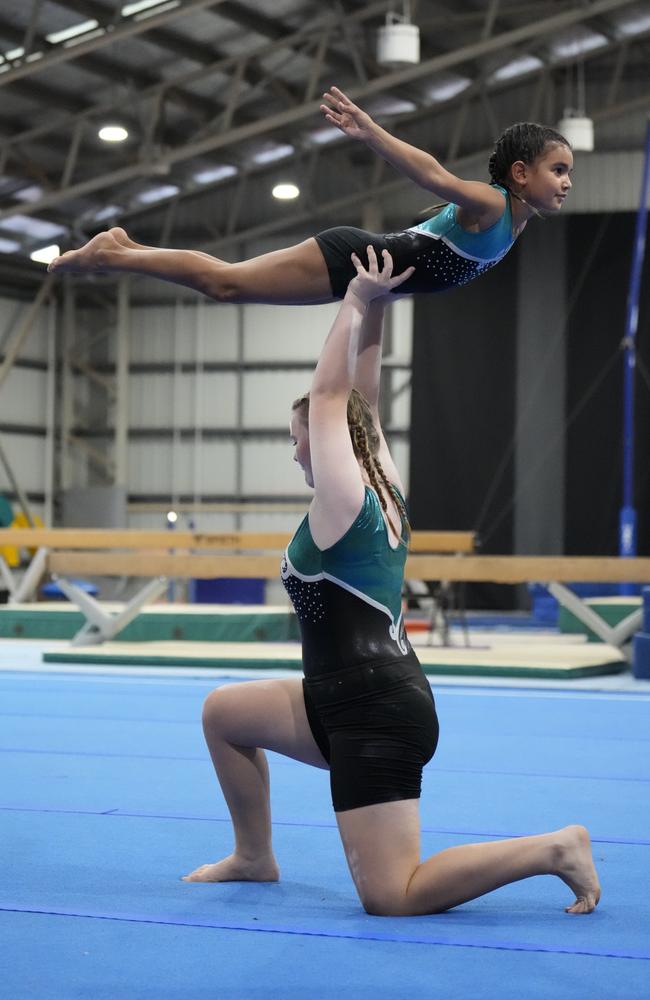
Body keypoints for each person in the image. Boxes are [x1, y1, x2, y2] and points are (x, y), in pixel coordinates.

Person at [181, 247, 600, 916]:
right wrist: (375, 306)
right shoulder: (383, 483)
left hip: (376, 717)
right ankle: (255, 855)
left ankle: (554, 849)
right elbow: (360, 403)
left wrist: (349, 305)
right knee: (225, 714)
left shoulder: (342, 503)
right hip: (349, 695)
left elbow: (329, 397)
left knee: (393, 895)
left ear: (324, 443)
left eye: (298, 439)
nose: (295, 449)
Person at [48, 87, 573, 305]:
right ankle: (112, 255)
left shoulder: (516, 220)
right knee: (225, 283)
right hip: (348, 258)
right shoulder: (491, 204)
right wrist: (372, 133)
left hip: (362, 274)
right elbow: (433, 176)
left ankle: (125, 248)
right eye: (559, 170)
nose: (568, 181)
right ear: (521, 173)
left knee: (225, 280)